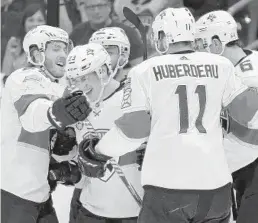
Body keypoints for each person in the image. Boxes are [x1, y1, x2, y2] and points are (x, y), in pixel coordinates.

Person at [79, 7, 258, 223]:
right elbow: (247, 112)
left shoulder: (144, 71)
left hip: (167, 189)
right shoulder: (222, 66)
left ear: (162, 36)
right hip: (216, 189)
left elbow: (133, 130)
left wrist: (98, 151)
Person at [1, 25, 91, 223]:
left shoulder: (59, 87)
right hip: (14, 193)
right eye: (56, 48)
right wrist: (58, 113)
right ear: (36, 53)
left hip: (39, 193)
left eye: (65, 49)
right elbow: (33, 115)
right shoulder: (24, 77)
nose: (63, 54)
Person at [65, 43, 143, 223]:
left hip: (132, 212)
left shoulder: (132, 99)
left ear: (103, 71)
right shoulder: (77, 108)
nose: (80, 85)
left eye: (85, 77)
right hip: (89, 211)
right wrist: (69, 169)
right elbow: (82, 176)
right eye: (75, 79)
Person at [195, 10, 258, 223]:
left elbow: (250, 129)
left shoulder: (250, 75)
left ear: (216, 42)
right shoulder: (228, 70)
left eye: (201, 45)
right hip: (235, 172)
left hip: (251, 169)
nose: (198, 53)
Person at [69, 0, 143, 66]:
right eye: (91, 7)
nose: (96, 11)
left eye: (100, 6)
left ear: (109, 6)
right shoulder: (77, 33)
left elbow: (139, 68)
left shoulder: (128, 33)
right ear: (85, 9)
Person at [2, 3, 46, 77]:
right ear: (24, 23)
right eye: (31, 20)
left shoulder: (52, 44)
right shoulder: (14, 43)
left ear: (45, 23)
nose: (35, 24)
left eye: (40, 20)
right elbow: (5, 74)